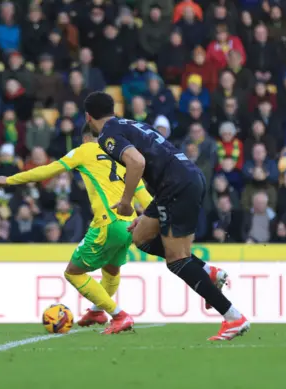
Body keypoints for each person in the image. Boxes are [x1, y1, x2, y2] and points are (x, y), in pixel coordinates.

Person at [82, 91, 249, 340]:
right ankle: (207, 271)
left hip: (176, 186)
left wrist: (127, 202)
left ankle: (233, 317)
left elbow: (137, 162)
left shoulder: (107, 135)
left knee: (177, 261)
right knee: (141, 236)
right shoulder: (131, 123)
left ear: (88, 117)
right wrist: (149, 213)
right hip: (183, 179)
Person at [0, 125, 154, 334]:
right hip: (130, 225)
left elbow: (47, 170)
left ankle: (119, 315)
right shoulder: (122, 157)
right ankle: (96, 312)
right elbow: (144, 195)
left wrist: (10, 180)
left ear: (86, 136)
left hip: (108, 222)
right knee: (111, 270)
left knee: (73, 273)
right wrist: (158, 219)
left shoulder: (84, 150)